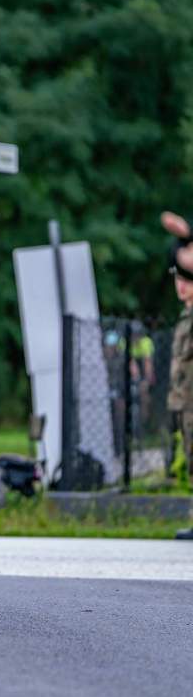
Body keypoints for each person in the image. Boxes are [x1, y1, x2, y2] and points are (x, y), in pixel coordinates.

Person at [161, 211, 193, 539]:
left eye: (186, 280)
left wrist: (187, 237)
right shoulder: (185, 316)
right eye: (178, 280)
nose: (180, 285)